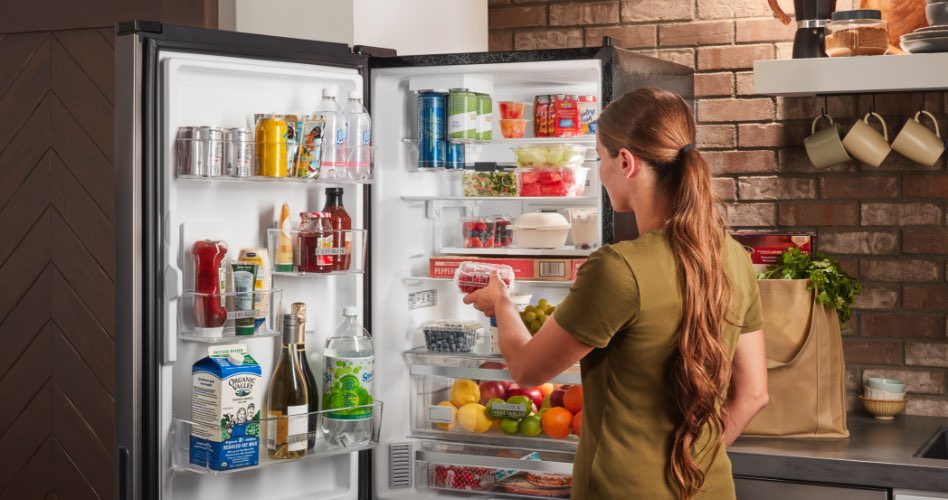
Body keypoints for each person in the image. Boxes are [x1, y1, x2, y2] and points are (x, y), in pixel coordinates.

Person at [463, 88, 769, 500]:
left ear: (625, 162)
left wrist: (500, 302)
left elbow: (527, 370)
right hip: (708, 488)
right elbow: (753, 394)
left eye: (598, 159)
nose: (599, 172)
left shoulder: (618, 268)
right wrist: (693, 457)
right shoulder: (734, 256)